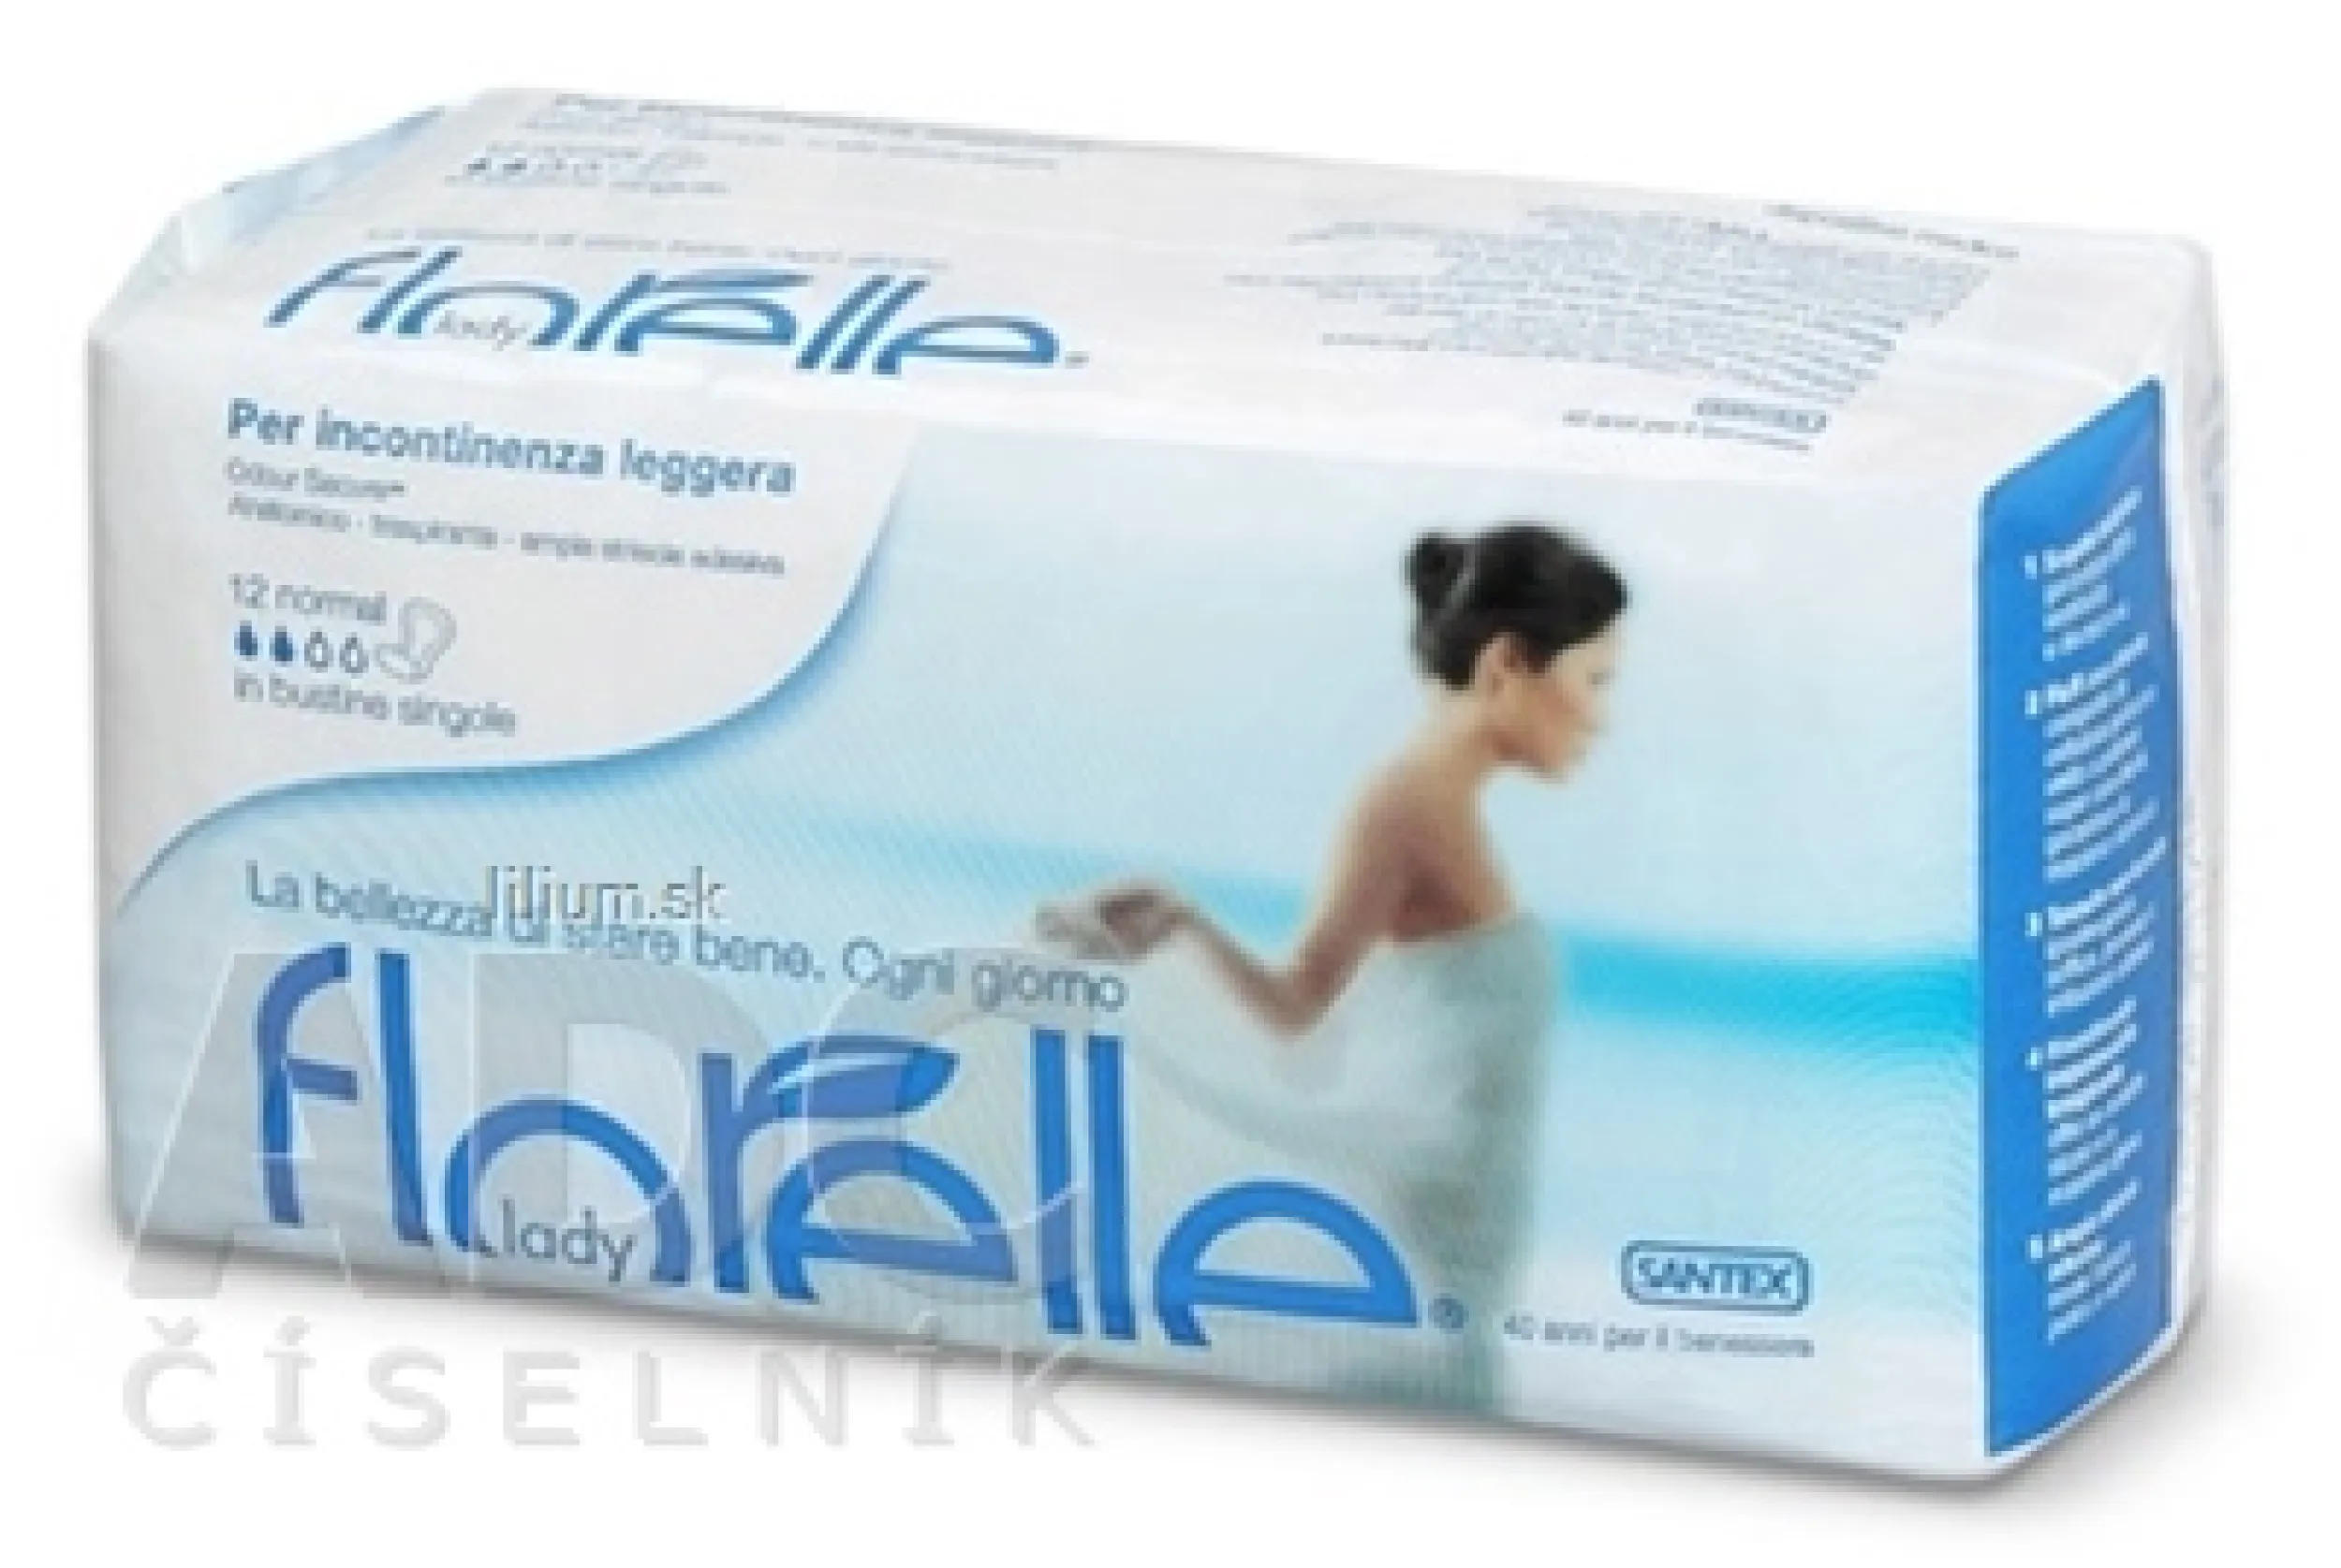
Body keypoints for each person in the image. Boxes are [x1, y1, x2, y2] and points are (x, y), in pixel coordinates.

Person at [1041, 522, 1627, 1037]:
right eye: (1596, 680)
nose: (1601, 719)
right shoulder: (1406, 807)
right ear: (1507, 663)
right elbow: (1297, 1006)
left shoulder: (1438, 805)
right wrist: (1179, 922)